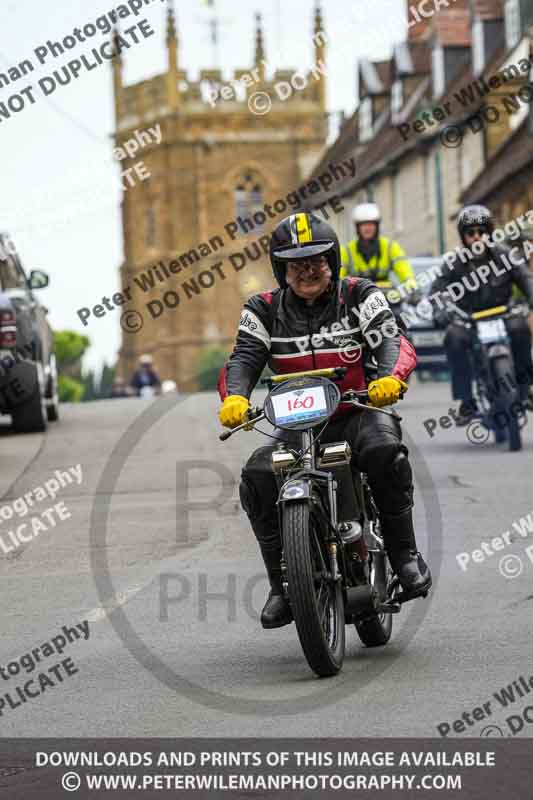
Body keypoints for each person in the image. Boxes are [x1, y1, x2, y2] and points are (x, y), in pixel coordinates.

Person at [217, 212, 431, 629]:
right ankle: (282, 586)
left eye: (316, 261)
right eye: (296, 264)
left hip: (358, 412)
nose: (308, 271)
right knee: (258, 476)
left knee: (385, 451)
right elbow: (242, 358)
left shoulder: (359, 294)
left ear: (332, 260)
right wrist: (235, 398)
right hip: (297, 425)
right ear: (282, 269)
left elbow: (392, 338)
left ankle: (405, 556)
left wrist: (388, 378)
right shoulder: (262, 308)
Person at [429, 205, 533, 425]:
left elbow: (525, 278)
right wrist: (441, 309)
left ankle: (525, 389)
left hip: (504, 314)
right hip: (470, 320)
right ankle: (467, 401)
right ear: (463, 236)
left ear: (489, 233)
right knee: (453, 338)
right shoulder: (454, 263)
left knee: (521, 328)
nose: (477, 237)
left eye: (481, 231)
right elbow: (438, 290)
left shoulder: (505, 255)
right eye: (471, 233)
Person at [340, 203, 420, 309]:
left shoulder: (390, 247)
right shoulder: (347, 251)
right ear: (357, 227)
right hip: (358, 302)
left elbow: (407, 275)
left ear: (377, 226)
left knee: (399, 319)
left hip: (387, 301)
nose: (367, 228)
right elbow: (338, 279)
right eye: (363, 224)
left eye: (371, 224)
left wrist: (411, 290)